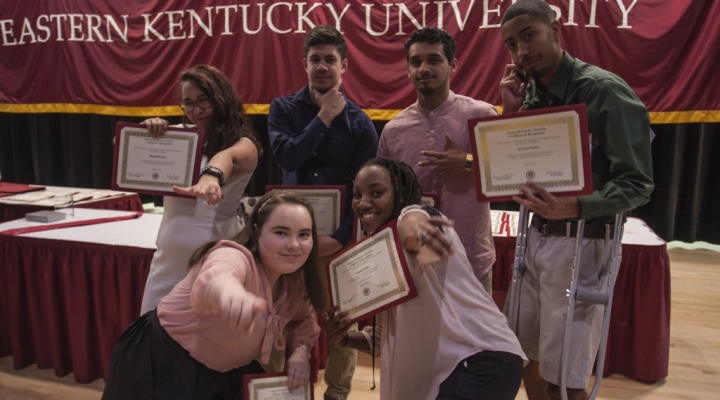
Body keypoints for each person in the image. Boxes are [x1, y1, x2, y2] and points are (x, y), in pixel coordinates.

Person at [498, 1, 655, 399]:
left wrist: (576, 206)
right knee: (525, 357)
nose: (521, 52)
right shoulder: (534, 91)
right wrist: (514, 111)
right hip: (535, 238)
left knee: (564, 377)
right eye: (512, 44)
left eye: (529, 36)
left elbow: (638, 183)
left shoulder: (602, 89)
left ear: (556, 30)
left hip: (585, 243)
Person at [324, 157, 527, 400]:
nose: (363, 203)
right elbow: (383, 341)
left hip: (477, 359)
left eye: (376, 192)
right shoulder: (378, 253)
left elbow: (415, 223)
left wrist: (416, 236)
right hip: (457, 372)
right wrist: (343, 338)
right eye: (357, 195)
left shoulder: (412, 215)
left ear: (400, 194)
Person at [103, 191, 324, 400]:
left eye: (303, 234)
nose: (294, 245)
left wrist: (300, 352)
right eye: (281, 232)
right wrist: (231, 293)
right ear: (257, 232)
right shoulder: (232, 254)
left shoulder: (295, 281)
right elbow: (218, 276)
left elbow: (303, 320)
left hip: (226, 370)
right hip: (162, 361)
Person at [268, 24, 378, 400]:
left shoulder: (361, 123)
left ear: (343, 66)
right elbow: (286, 156)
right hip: (290, 242)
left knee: (341, 321)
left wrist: (341, 236)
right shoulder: (282, 109)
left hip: (337, 242)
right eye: (315, 59)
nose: (322, 66)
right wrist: (324, 117)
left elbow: (366, 192)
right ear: (304, 63)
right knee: (281, 317)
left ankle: (337, 393)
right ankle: (283, 391)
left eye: (330, 60)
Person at [377, 27, 496, 294]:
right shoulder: (394, 130)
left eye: (434, 60)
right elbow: (383, 196)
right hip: (414, 262)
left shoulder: (482, 116)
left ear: (452, 65)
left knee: (474, 337)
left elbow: (511, 174)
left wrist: (467, 161)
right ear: (407, 69)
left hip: (470, 261)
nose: (423, 69)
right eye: (416, 62)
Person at [139, 65, 262, 315]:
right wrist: (145, 130)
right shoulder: (179, 136)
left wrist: (211, 176)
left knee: (202, 344)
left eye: (203, 101)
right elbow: (121, 146)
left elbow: (226, 158)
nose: (196, 110)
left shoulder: (244, 144)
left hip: (211, 258)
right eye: (188, 103)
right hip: (167, 257)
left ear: (221, 98)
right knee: (153, 336)